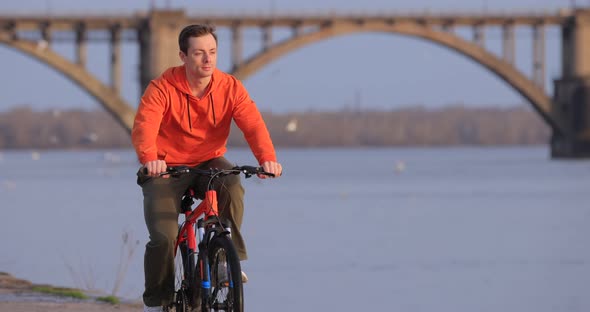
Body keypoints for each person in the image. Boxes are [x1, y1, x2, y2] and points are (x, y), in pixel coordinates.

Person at [131, 24, 282, 312]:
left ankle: (226, 262)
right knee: (164, 237)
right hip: (165, 166)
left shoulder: (230, 87)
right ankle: (159, 300)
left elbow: (252, 124)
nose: (207, 60)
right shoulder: (162, 88)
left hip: (208, 160)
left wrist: (267, 159)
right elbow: (144, 126)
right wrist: (150, 157)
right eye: (199, 53)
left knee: (233, 185)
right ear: (183, 56)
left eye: (212, 52)